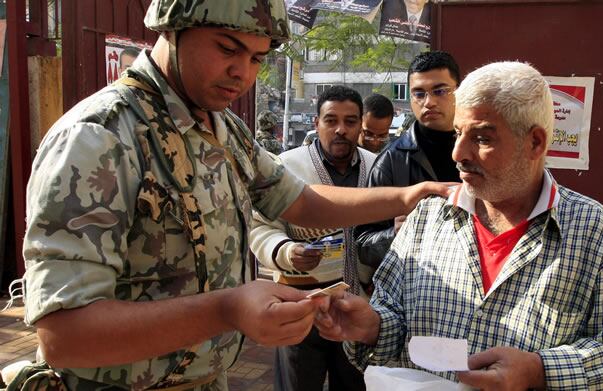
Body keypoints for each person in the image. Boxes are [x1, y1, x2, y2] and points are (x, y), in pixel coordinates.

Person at [20, 1, 452, 390]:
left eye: (257, 58)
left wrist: (408, 196)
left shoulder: (222, 127)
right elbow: (64, 336)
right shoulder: (99, 137)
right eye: (227, 49)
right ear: (173, 30)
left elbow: (300, 200)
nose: (243, 73)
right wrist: (227, 309)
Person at [315, 62, 603, 390]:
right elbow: (394, 319)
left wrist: (539, 370)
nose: (458, 154)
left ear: (535, 143)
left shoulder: (596, 235)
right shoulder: (427, 219)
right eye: (458, 134)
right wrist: (373, 326)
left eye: (481, 138)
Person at [250, 86, 373, 391]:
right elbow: (259, 226)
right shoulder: (287, 167)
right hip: (299, 308)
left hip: (357, 310)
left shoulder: (376, 166)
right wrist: (286, 251)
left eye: (350, 121)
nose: (341, 130)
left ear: (361, 125)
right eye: (331, 120)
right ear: (316, 122)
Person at [355, 51, 461, 279]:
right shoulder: (391, 162)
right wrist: (395, 233)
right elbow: (363, 246)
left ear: (459, 91)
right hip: (415, 290)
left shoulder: (483, 151)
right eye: (419, 93)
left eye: (440, 91)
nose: (429, 102)